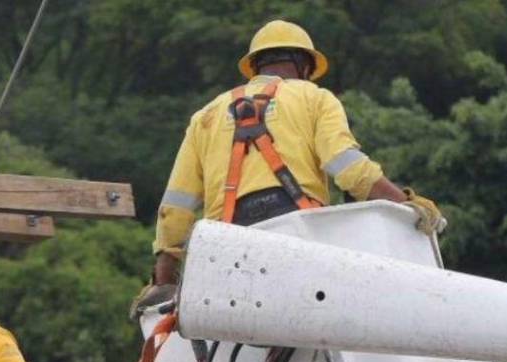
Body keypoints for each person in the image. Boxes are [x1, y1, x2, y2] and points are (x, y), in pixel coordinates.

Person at [144, 19, 444, 301]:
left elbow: (176, 208)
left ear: (255, 67)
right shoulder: (314, 97)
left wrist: (163, 282)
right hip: (298, 234)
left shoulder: (206, 116)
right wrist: (405, 203)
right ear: (305, 66)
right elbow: (349, 168)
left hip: (225, 246)